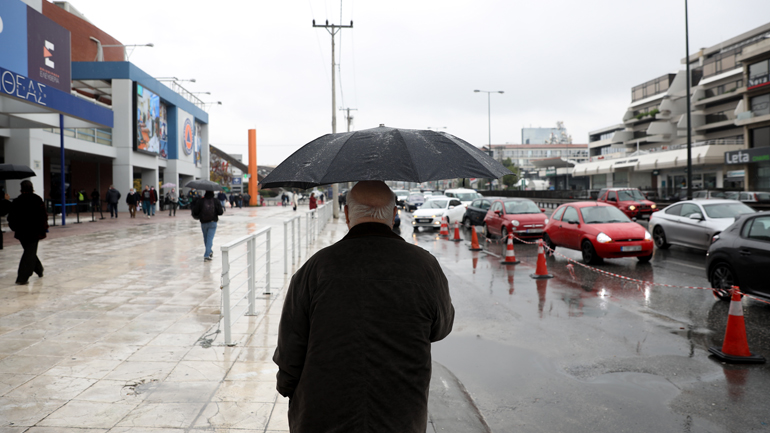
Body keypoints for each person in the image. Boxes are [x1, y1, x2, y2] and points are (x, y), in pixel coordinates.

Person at [273, 181, 454, 432]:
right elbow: (441, 328)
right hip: (400, 413)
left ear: (347, 215)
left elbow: (291, 347)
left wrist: (288, 388)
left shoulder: (316, 268)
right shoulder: (425, 267)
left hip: (323, 414)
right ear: (394, 214)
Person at [8, 180, 49, 285]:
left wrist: (14, 227)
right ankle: (23, 277)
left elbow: (11, 217)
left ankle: (39, 270)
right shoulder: (37, 199)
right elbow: (43, 216)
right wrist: (44, 228)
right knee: (29, 252)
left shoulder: (17, 201)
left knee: (29, 251)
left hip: (22, 232)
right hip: (34, 231)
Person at [191, 190, 224, 261]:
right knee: (209, 239)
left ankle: (209, 251)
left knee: (206, 239)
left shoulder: (201, 201)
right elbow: (220, 212)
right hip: (213, 222)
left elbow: (195, 211)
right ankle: (207, 254)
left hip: (203, 222)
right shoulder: (216, 201)